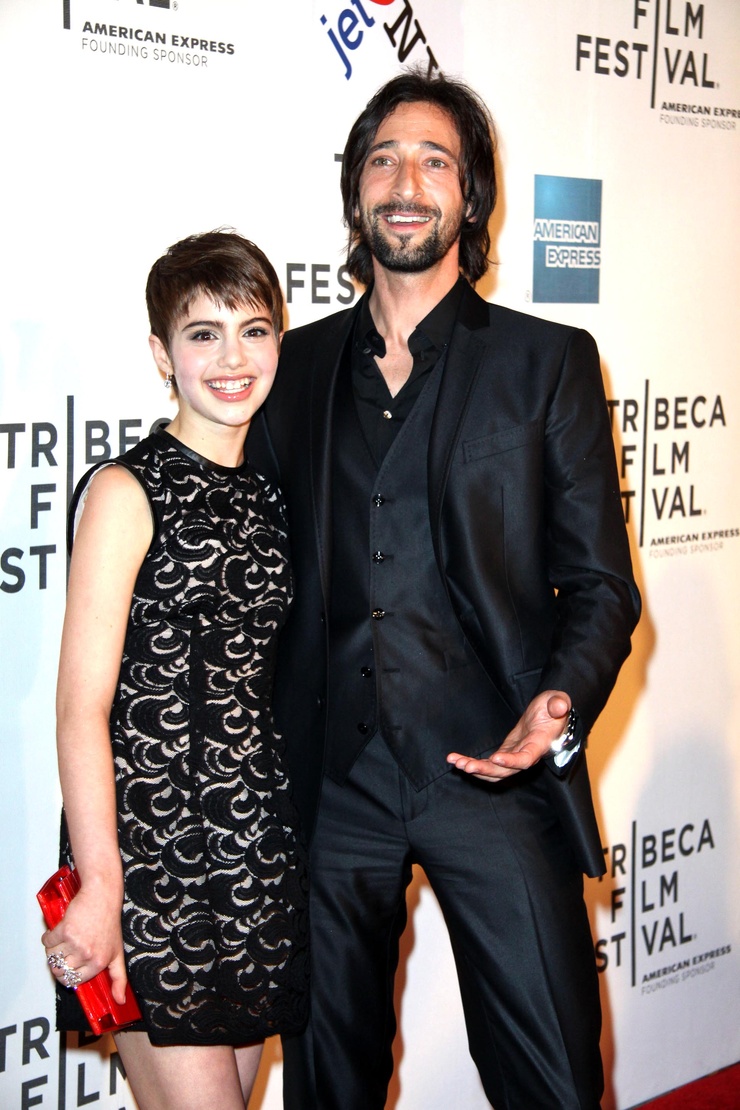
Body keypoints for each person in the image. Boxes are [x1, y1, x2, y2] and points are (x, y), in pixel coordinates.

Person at [250, 70, 641, 1110]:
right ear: (356, 193)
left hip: (495, 772)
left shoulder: (546, 362)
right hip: (333, 790)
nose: (405, 182)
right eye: (382, 160)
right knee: (328, 1088)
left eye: (434, 161)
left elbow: (601, 585)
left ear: (472, 198)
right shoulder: (292, 368)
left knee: (553, 1080)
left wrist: (556, 702)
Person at [41, 231, 309, 1110]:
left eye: (254, 330)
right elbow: (81, 708)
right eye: (204, 334)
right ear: (162, 354)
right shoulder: (127, 492)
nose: (233, 358)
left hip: (254, 854)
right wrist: (101, 885)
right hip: (151, 863)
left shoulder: (271, 497)